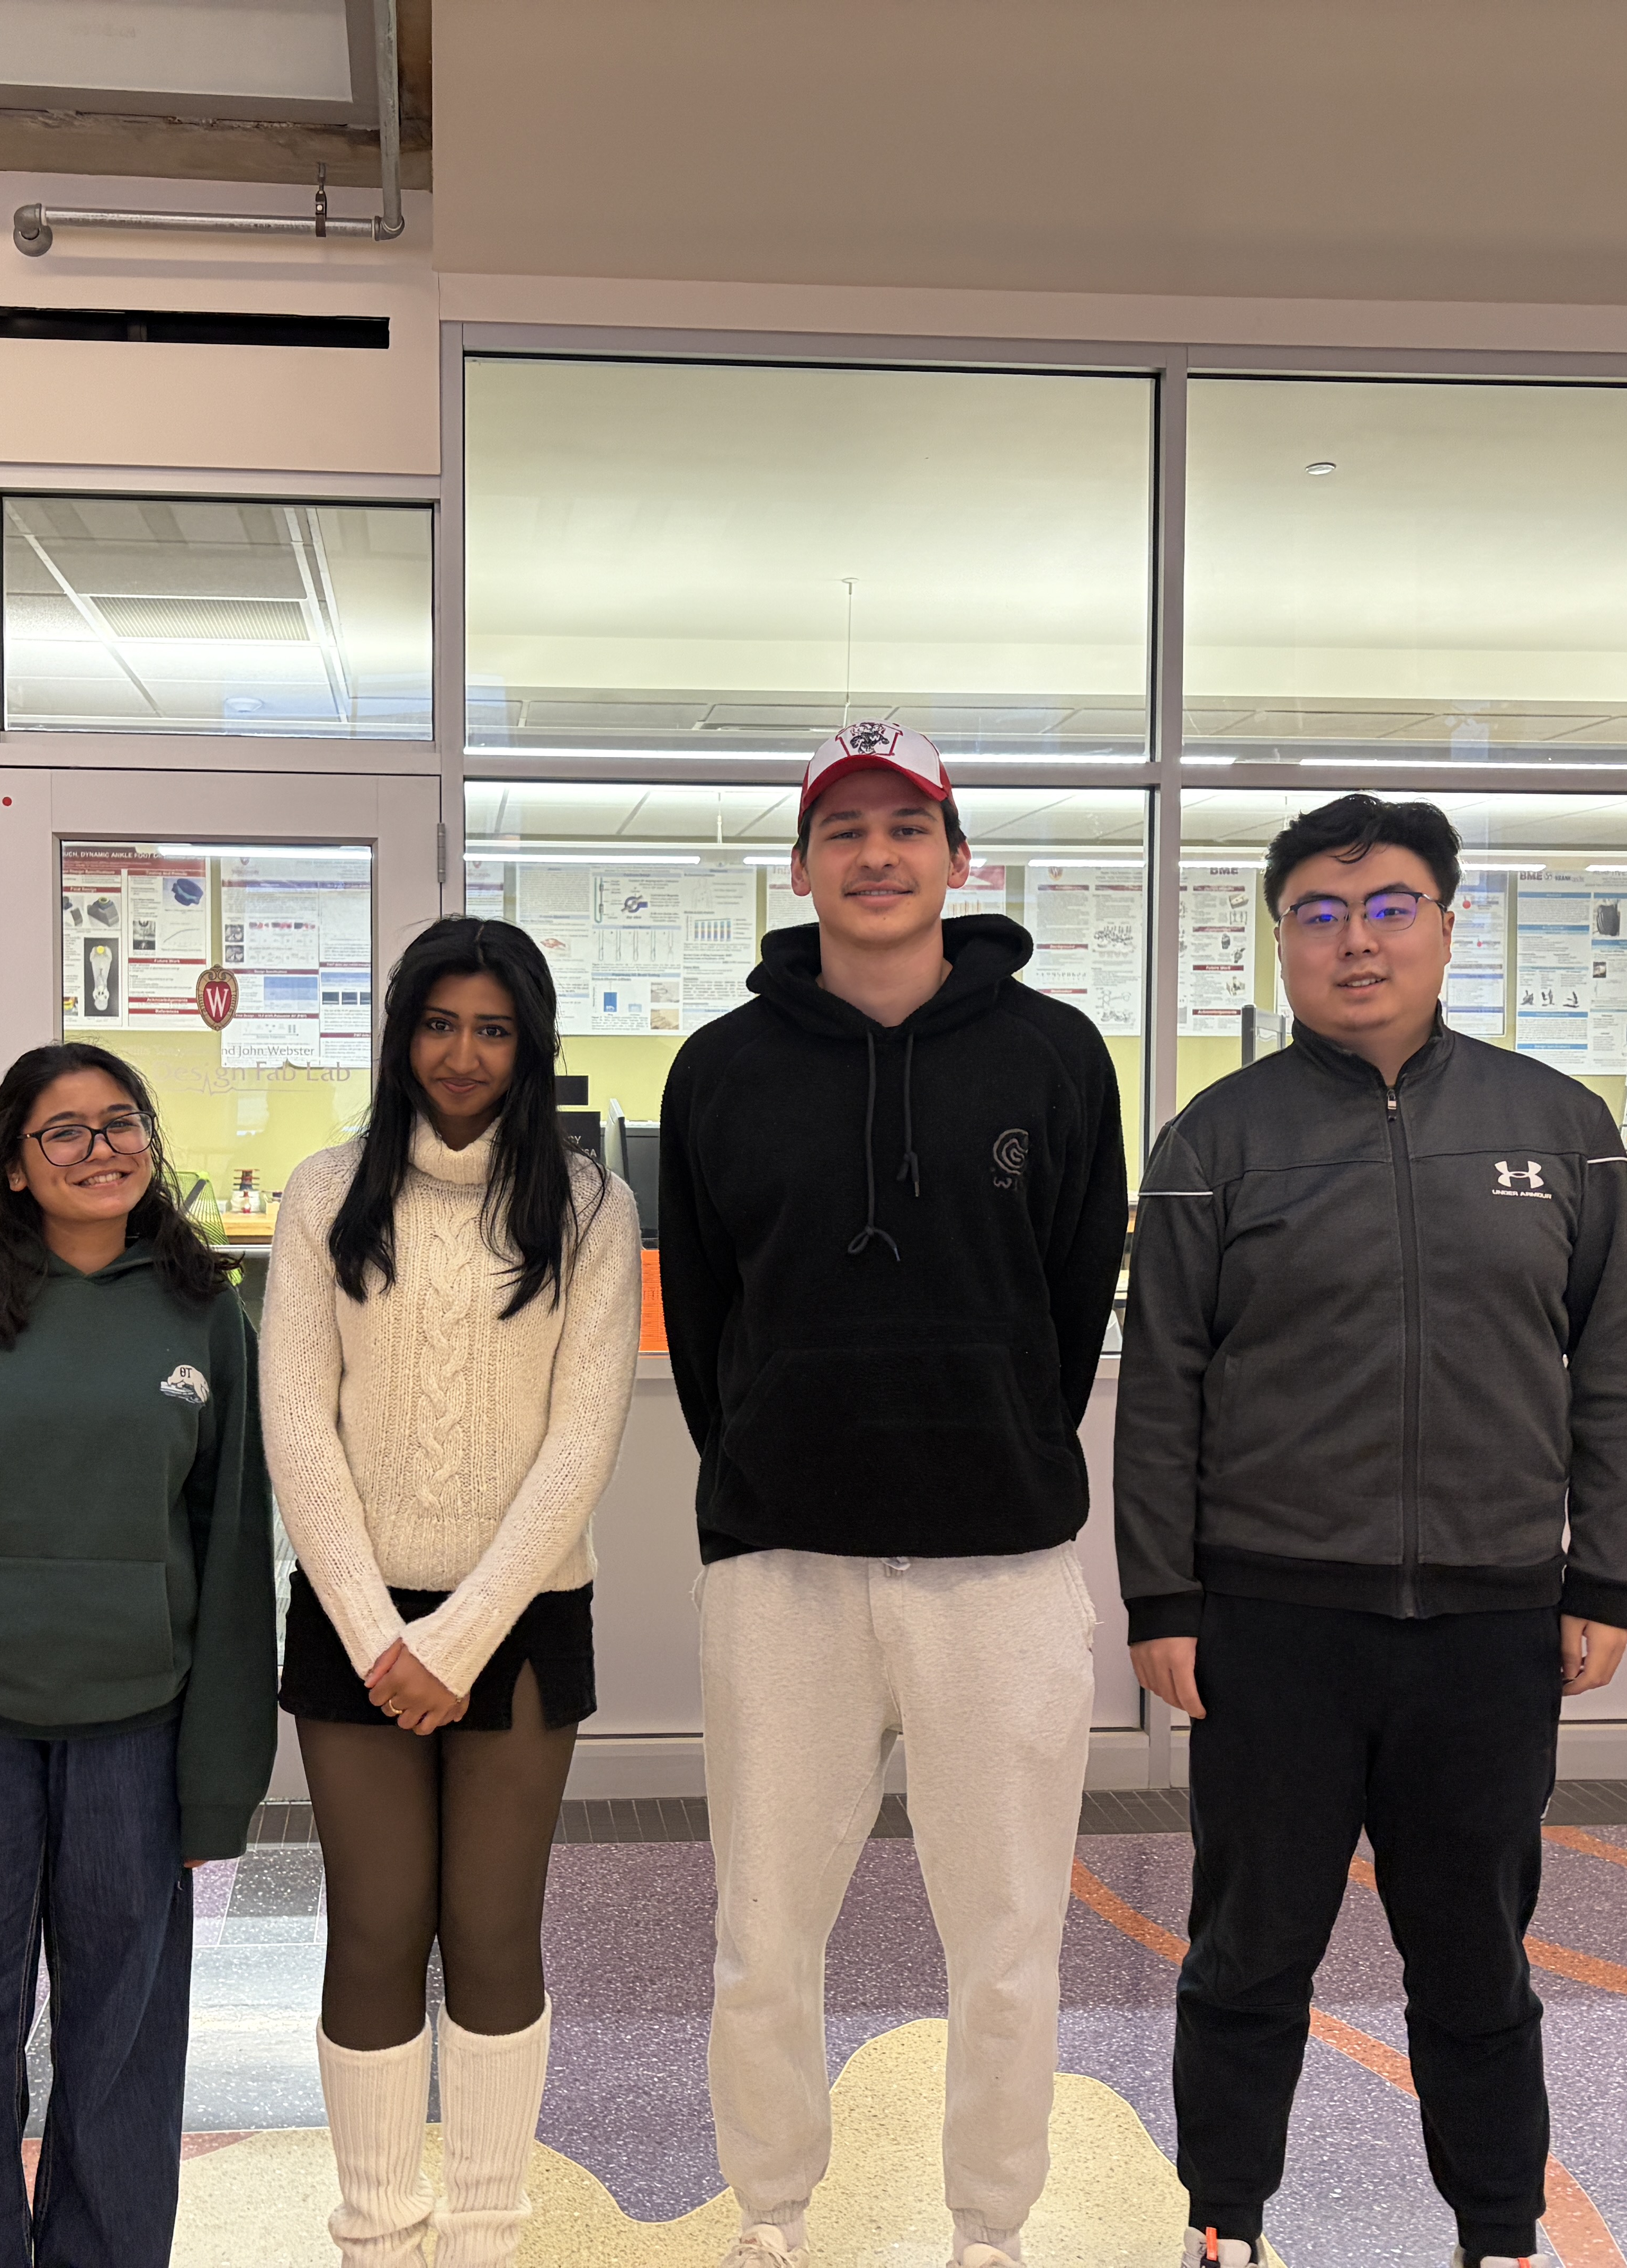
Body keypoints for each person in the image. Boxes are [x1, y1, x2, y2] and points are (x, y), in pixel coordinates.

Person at [1112, 795, 1627, 2268]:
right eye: (1323, 913)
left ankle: (1500, 2232)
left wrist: (1607, 1567)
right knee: (1248, 1950)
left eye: (1392, 906)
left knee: (1477, 1958)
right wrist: (1160, 1595)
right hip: (1271, 1622)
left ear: (1448, 924)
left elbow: (1608, 1367)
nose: (1359, 941)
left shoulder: (1562, 1129)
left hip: (1490, 1622)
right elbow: (1162, 1383)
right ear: (1283, 937)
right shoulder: (1216, 1139)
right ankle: (1225, 2220)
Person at [660, 723, 1131, 2268]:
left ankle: (989, 2229)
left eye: (905, 826)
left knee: (1006, 1938)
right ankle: (773, 2215)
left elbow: (1070, 1301)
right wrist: (777, 1455)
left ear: (956, 855)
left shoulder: (1054, 1054)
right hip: (783, 1564)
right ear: (799, 869)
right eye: (844, 829)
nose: (875, 854)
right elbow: (710, 1314)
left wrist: (979, 1434)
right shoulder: (720, 1068)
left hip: (1000, 1565)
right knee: (761, 1936)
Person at [0, 1041, 276, 2267]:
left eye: (120, 1122)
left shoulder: (203, 1313)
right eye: (62, 1132)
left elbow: (234, 1554)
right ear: (15, 1166)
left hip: (137, 1732)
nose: (99, 1149)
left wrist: (222, 1778)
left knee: (123, 2048)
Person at [263, 916, 641, 2268]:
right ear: (401, 1035)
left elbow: (583, 1438)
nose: (464, 1054)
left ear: (529, 1043)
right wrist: (381, 1637)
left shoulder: (591, 1206)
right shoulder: (325, 1193)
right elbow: (298, 1426)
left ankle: (486, 2233)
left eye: (492, 1028)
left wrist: (461, 1638)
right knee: (373, 1926)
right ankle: (377, 2237)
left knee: (490, 1928)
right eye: (440, 1024)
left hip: (524, 1621)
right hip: (355, 1625)